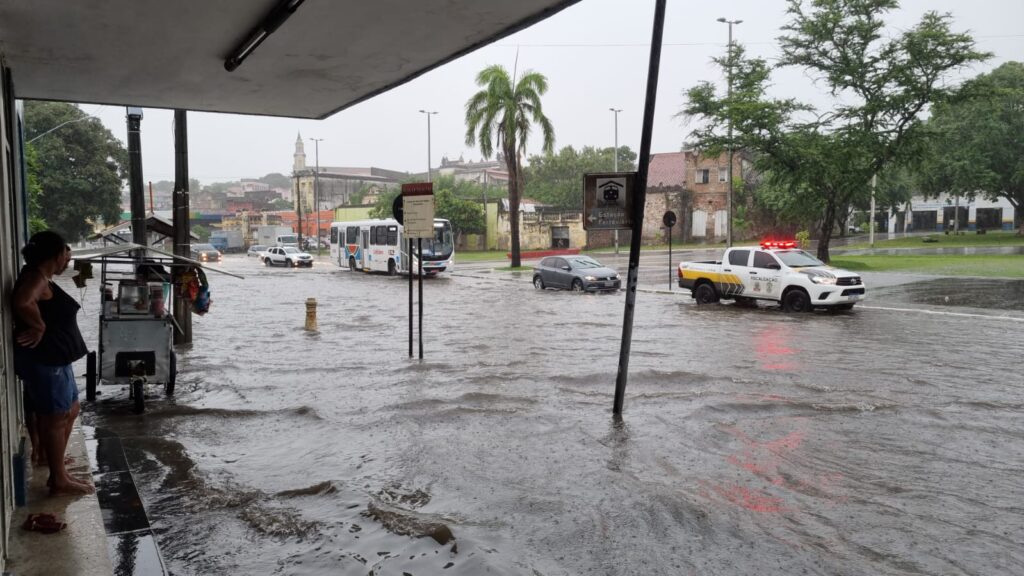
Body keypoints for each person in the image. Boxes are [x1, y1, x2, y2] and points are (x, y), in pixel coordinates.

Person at [12, 232, 92, 496]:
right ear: (56, 254)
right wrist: (39, 325)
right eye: (65, 256)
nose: (67, 261)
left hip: (57, 360)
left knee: (71, 409)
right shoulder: (35, 277)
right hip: (46, 361)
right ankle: (58, 479)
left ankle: (53, 461)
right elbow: (23, 301)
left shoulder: (40, 276)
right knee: (55, 417)